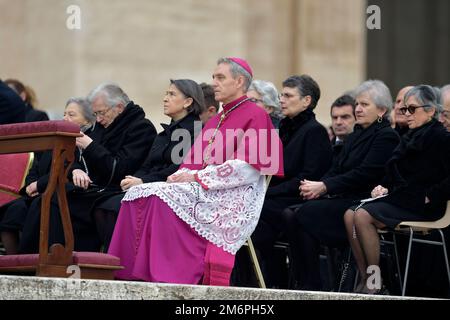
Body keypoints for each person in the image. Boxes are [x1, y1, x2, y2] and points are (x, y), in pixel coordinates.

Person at [108, 57, 283, 285]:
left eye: (220, 77)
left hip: (232, 197)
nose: (214, 83)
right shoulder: (216, 119)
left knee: (160, 197)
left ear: (240, 81)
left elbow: (248, 169)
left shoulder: (257, 115)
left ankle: (169, 275)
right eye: (213, 77)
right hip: (203, 189)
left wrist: (197, 176)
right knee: (137, 194)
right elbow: (192, 162)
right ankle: (131, 273)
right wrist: (179, 176)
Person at [282, 80, 400, 291]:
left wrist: (325, 186)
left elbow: (364, 174)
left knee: (303, 214)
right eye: (357, 104)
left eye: (365, 104)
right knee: (291, 214)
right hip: (343, 199)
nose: (358, 109)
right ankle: (307, 281)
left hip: (364, 200)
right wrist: (317, 185)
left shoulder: (386, 136)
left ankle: (371, 280)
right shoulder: (357, 134)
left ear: (382, 110)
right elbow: (338, 168)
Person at [19, 83, 157, 253]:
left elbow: (119, 169)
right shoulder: (101, 126)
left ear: (119, 107)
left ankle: (62, 259)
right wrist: (76, 169)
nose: (98, 119)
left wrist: (90, 145)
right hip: (92, 188)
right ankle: (35, 259)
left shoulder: (142, 128)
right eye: (95, 114)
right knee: (48, 199)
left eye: (101, 113)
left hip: (113, 189)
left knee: (57, 201)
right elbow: (75, 156)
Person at [344, 85, 450, 294]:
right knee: (350, 214)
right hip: (404, 199)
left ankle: (374, 283)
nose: (406, 114)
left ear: (430, 111)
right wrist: (384, 186)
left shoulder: (441, 138)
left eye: (412, 109)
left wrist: (431, 195)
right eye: (404, 109)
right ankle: (367, 277)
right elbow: (398, 175)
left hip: (425, 205)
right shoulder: (410, 137)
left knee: (363, 216)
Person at [93, 79, 205, 251]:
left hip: (173, 193)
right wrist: (134, 179)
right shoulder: (163, 135)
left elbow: (176, 169)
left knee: (112, 208)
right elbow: (147, 165)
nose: (165, 99)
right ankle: (117, 260)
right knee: (102, 203)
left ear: (188, 102)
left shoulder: (195, 131)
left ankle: (121, 261)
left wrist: (143, 182)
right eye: (166, 93)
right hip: (150, 187)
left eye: (172, 94)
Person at [251, 75, 332, 288]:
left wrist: (266, 192)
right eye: (281, 95)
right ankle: (263, 281)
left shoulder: (314, 131)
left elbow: (308, 178)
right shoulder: (285, 127)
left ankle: (275, 281)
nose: (281, 100)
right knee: (248, 217)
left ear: (306, 101)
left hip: (298, 199)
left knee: (253, 213)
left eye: (288, 95)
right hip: (278, 197)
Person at [0, 97, 96, 254]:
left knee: (36, 208)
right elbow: (36, 167)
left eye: (72, 115)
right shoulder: (55, 139)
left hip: (62, 193)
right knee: (12, 211)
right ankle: (13, 260)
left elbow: (65, 169)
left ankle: (27, 259)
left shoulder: (83, 143)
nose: (65, 118)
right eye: (64, 114)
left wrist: (39, 185)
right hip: (39, 191)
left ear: (88, 120)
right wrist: (32, 185)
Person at [329, 94, 356, 162]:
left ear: (356, 119)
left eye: (345, 117)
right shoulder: (325, 148)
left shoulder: (365, 147)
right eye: (335, 118)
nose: (338, 122)